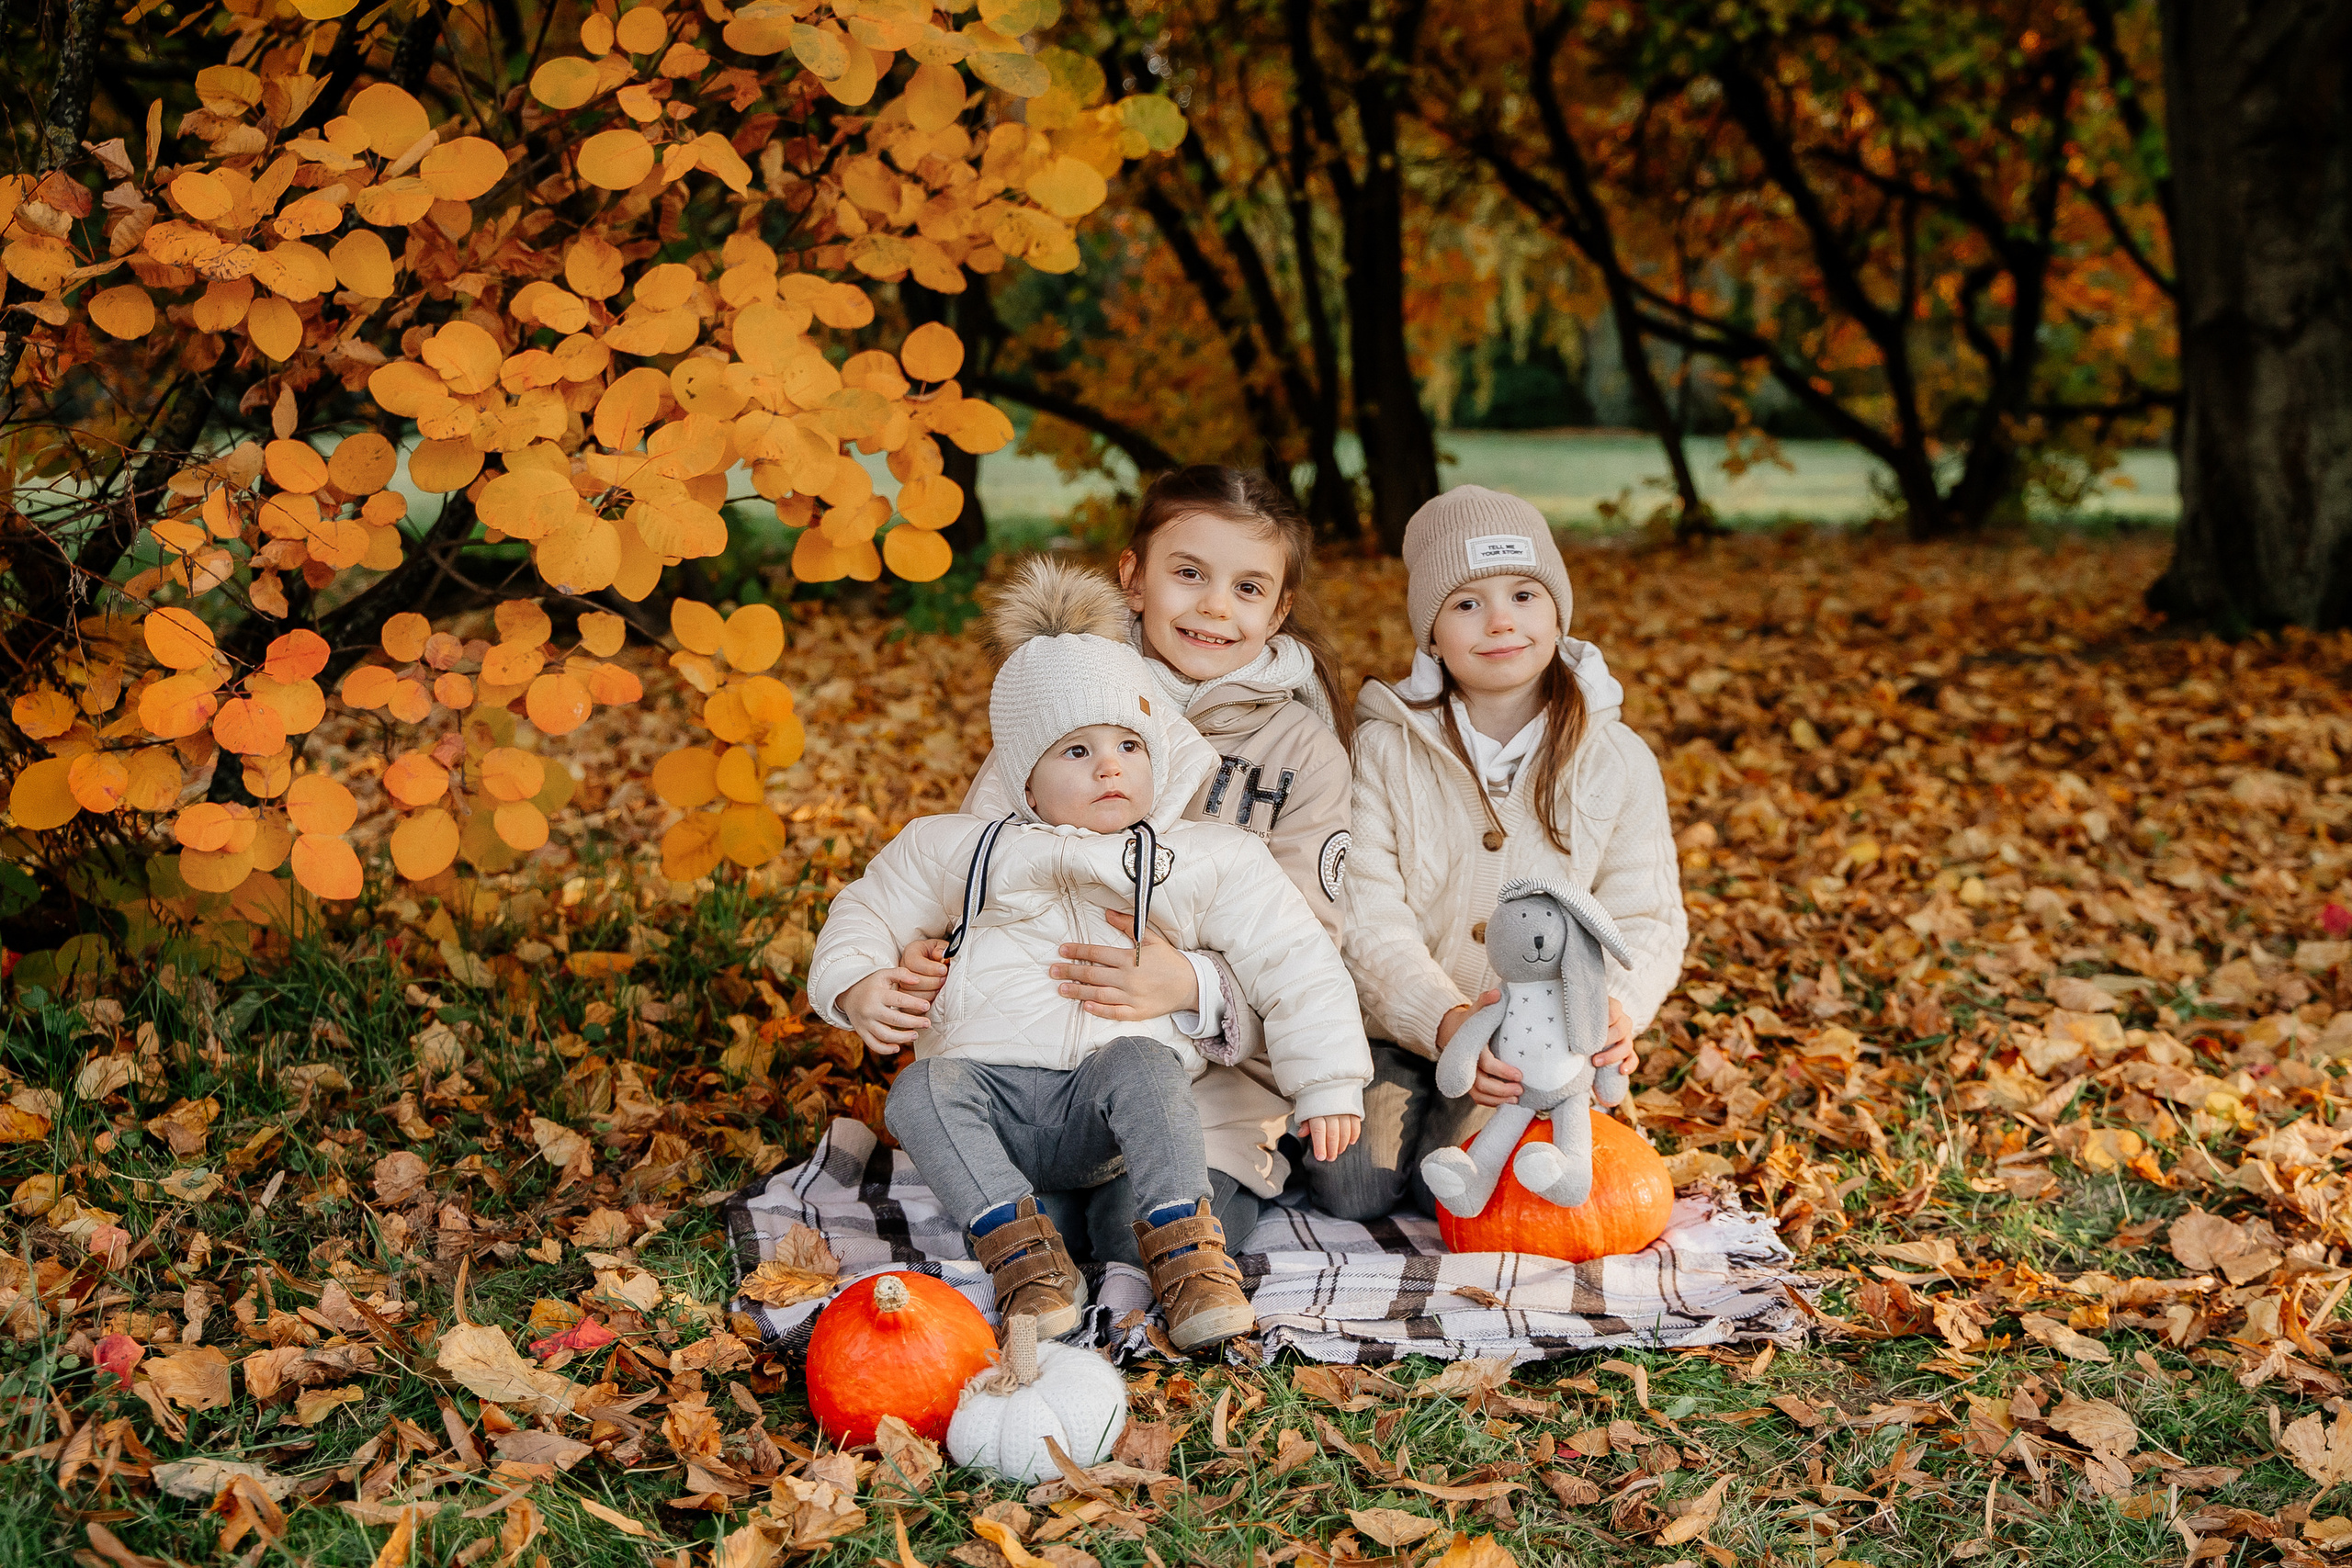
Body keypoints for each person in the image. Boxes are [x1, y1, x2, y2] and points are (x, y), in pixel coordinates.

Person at [808, 558, 1369, 1350]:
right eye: (1076, 750)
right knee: (921, 1089)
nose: (1110, 764)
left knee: (1144, 1063)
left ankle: (1188, 1253)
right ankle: (1022, 1255)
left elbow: (1297, 958)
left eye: (1129, 744)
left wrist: (1329, 1079)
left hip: (1111, 1120)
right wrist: (859, 983)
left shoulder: (1206, 858)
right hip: (997, 1106)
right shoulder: (956, 848)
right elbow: (866, 905)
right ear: (1025, 783)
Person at [944, 467, 1358, 1264]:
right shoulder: (1067, 699)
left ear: (1278, 610)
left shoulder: (1302, 751)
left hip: (1218, 1082)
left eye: (1248, 588)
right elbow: (975, 859)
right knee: (1034, 1223)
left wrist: (1192, 984)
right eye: (1189, 573)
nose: (1215, 606)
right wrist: (930, 952)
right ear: (1133, 578)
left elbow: (1309, 947)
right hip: (1056, 1056)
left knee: (1135, 1238)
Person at [1320, 484, 1687, 1219]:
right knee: (1353, 1188)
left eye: (1524, 594)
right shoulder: (1383, 750)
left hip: (1537, 1038)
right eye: (1466, 603)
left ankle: (1534, 1126)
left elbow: (1647, 915)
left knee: (1462, 1191)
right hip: (1399, 1026)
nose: (1500, 621)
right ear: (1430, 633)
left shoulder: (1616, 758)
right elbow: (1366, 916)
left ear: (1557, 613)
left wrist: (1616, 1007)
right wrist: (1444, 1018)